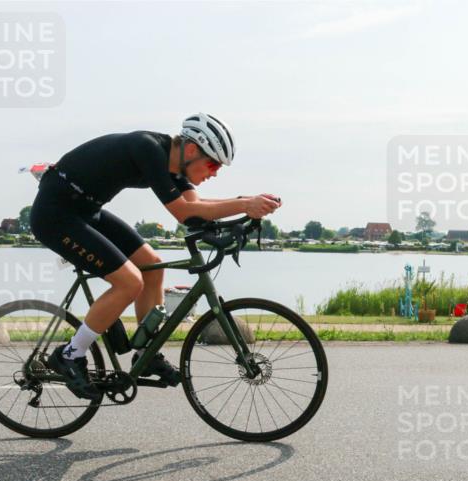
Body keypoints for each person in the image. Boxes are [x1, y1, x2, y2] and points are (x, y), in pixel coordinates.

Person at [31, 113, 281, 399]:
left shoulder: (175, 166)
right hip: (56, 214)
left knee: (153, 266)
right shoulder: (148, 148)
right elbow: (184, 213)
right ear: (190, 150)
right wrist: (244, 204)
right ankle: (70, 354)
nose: (214, 173)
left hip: (86, 211)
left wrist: (243, 209)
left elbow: (195, 204)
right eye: (212, 164)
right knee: (129, 282)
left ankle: (145, 354)